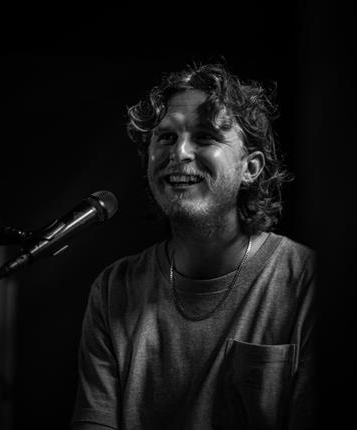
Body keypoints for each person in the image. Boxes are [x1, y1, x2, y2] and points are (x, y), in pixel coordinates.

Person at [71, 63, 316, 430]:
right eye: (166, 138)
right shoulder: (113, 289)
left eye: (204, 137)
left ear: (250, 168)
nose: (180, 152)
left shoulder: (305, 280)